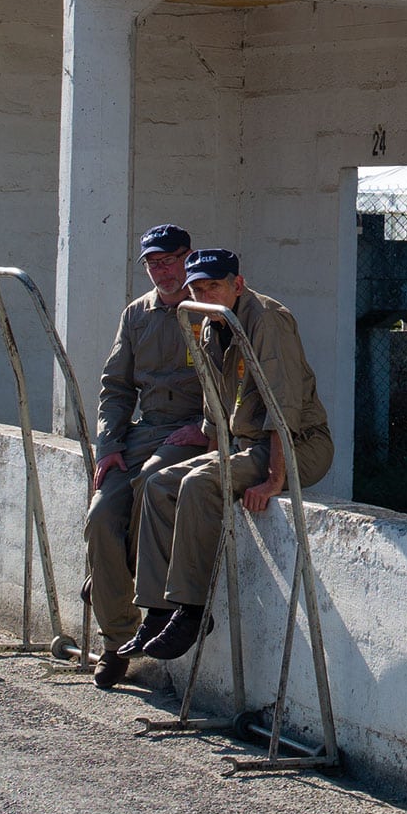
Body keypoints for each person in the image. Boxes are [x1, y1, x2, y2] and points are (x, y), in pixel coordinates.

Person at [120, 249, 333, 665]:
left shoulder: (265, 319)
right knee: (159, 482)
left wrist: (274, 478)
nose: (205, 295)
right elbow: (215, 410)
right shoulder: (208, 324)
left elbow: (282, 405)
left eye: (213, 286)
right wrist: (217, 459)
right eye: (197, 288)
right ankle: (158, 608)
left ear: (237, 284)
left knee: (200, 485)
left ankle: (193, 610)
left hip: (297, 446)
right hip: (246, 444)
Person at [86, 223, 208, 689]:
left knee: (150, 487)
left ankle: (121, 594)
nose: (161, 271)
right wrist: (109, 446)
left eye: (168, 260)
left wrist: (206, 429)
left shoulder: (209, 311)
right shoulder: (136, 315)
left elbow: (237, 386)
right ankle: (115, 640)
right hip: (143, 431)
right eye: (153, 263)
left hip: (195, 431)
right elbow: (115, 387)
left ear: (187, 257)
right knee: (101, 515)